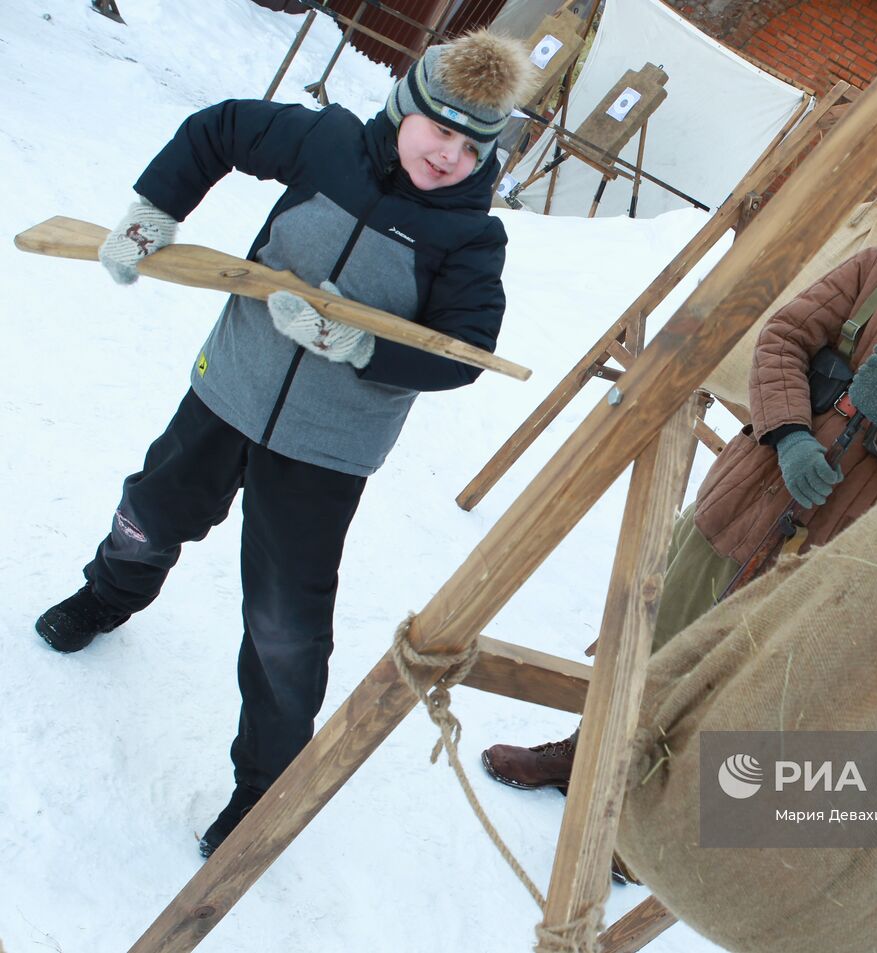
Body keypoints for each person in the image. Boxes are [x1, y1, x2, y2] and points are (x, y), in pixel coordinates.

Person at [33, 31, 534, 858]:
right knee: (151, 510)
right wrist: (155, 212)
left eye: (472, 143)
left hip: (328, 448)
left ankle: (263, 788)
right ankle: (105, 596)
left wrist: (360, 345)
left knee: (285, 620)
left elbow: (466, 351)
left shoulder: (470, 240)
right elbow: (219, 128)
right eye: (438, 129)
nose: (449, 155)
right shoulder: (327, 143)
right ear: (403, 109)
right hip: (228, 384)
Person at [481, 159, 877, 799]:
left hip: (829, 559)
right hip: (744, 498)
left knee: (735, 697)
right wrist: (789, 434)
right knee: (653, 635)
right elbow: (783, 335)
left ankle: (650, 821)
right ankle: (582, 752)